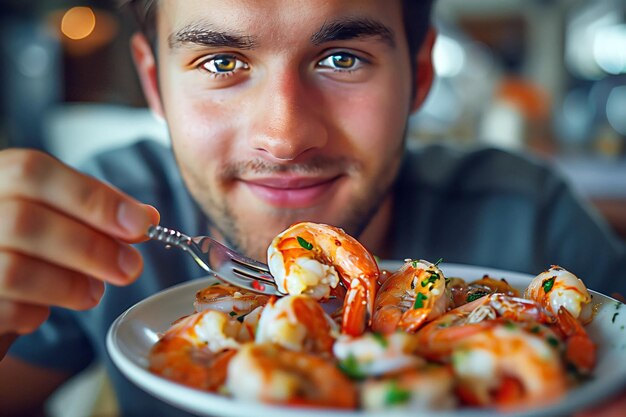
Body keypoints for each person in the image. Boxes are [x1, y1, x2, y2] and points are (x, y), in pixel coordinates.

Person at [0, 0, 624, 416]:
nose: (286, 135)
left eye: (341, 59)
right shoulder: (92, 227)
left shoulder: (533, 215)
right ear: (154, 83)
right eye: (221, 62)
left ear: (421, 74)